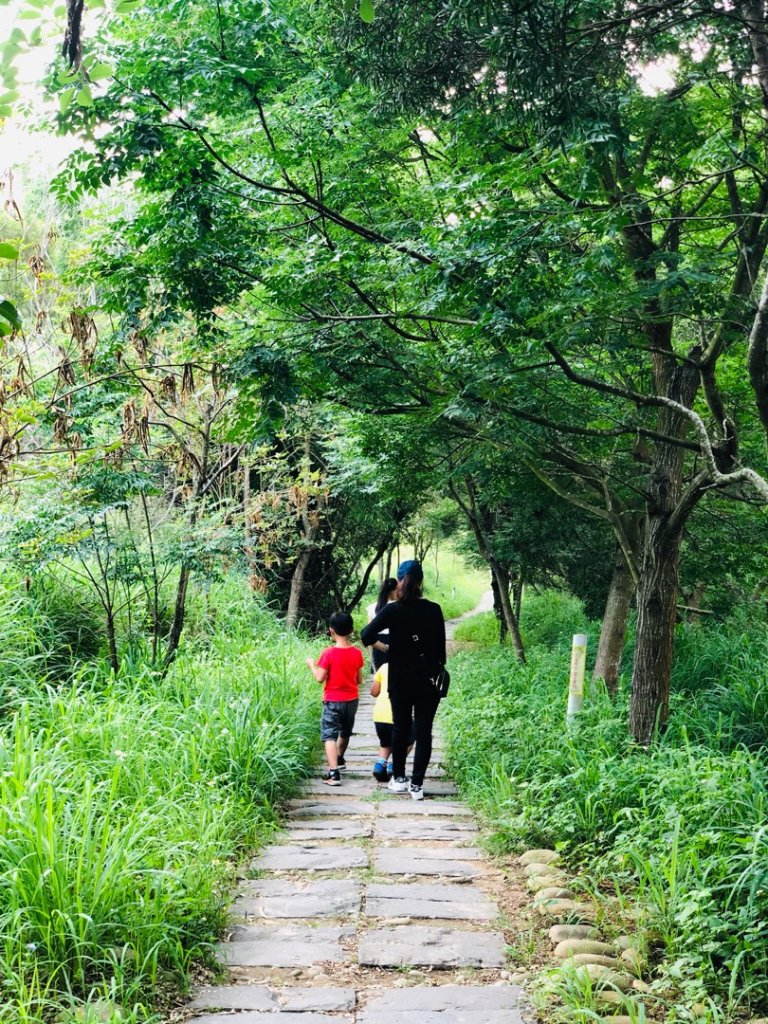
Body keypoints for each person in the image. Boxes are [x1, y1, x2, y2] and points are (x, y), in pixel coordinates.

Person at [361, 559, 446, 800]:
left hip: (399, 679)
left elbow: (366, 635)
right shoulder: (434, 609)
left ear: (399, 581)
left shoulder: (392, 610)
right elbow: (441, 652)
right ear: (420, 581)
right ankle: (417, 785)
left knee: (400, 727)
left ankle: (398, 780)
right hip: (427, 680)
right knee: (424, 731)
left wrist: (389, 650)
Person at [306, 611, 364, 786]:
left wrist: (311, 665)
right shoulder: (357, 653)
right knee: (345, 732)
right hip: (352, 700)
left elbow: (319, 678)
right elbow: (359, 679)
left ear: (331, 631)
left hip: (333, 701)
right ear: (352, 630)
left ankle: (334, 774)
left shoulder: (328, 653)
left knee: (329, 735)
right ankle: (339, 759)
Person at [370, 659, 415, 781]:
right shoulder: (411, 669)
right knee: (410, 739)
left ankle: (380, 765)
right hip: (398, 715)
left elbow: (373, 692)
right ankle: (395, 765)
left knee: (386, 742)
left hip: (379, 716)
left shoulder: (384, 667)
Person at [366, 577, 398, 672]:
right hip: (396, 642)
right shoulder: (400, 606)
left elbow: (368, 633)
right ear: (393, 590)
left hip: (377, 645)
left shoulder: (372, 608)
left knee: (380, 678)